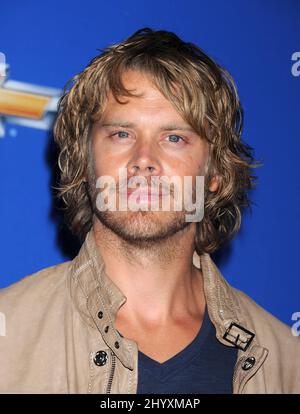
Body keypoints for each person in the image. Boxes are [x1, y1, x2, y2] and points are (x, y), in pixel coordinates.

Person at [0, 28, 299, 394]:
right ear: (84, 164)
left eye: (174, 138)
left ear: (216, 175)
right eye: (121, 134)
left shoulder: (287, 361)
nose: (144, 161)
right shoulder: (9, 336)